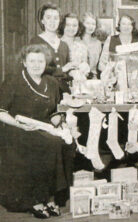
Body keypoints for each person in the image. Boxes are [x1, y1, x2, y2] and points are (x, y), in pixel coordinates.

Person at [0, 44, 74, 218]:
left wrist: (62, 124)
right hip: (17, 129)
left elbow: (54, 113)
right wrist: (20, 125)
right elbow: (1, 112)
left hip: (43, 127)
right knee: (48, 144)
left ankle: (52, 198)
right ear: (24, 62)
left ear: (45, 62)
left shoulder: (51, 82)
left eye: (40, 61)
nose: (36, 64)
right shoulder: (13, 81)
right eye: (32, 61)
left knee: (65, 142)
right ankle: (36, 200)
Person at [30, 2, 75, 94]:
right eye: (48, 17)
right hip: (43, 91)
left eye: (56, 18)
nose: (52, 21)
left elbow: (68, 70)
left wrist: (76, 72)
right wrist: (62, 70)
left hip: (63, 92)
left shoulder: (64, 45)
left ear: (60, 21)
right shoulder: (36, 42)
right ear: (42, 20)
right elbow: (33, 70)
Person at [59, 13, 89, 80]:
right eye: (68, 25)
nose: (71, 28)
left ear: (78, 27)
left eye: (74, 25)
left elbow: (85, 69)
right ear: (62, 26)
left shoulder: (82, 46)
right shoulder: (56, 44)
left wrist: (85, 69)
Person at [80, 12, 102, 79]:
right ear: (82, 24)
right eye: (88, 23)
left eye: (93, 24)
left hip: (93, 78)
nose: (90, 26)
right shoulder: (76, 41)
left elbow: (98, 65)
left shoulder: (98, 43)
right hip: (78, 78)